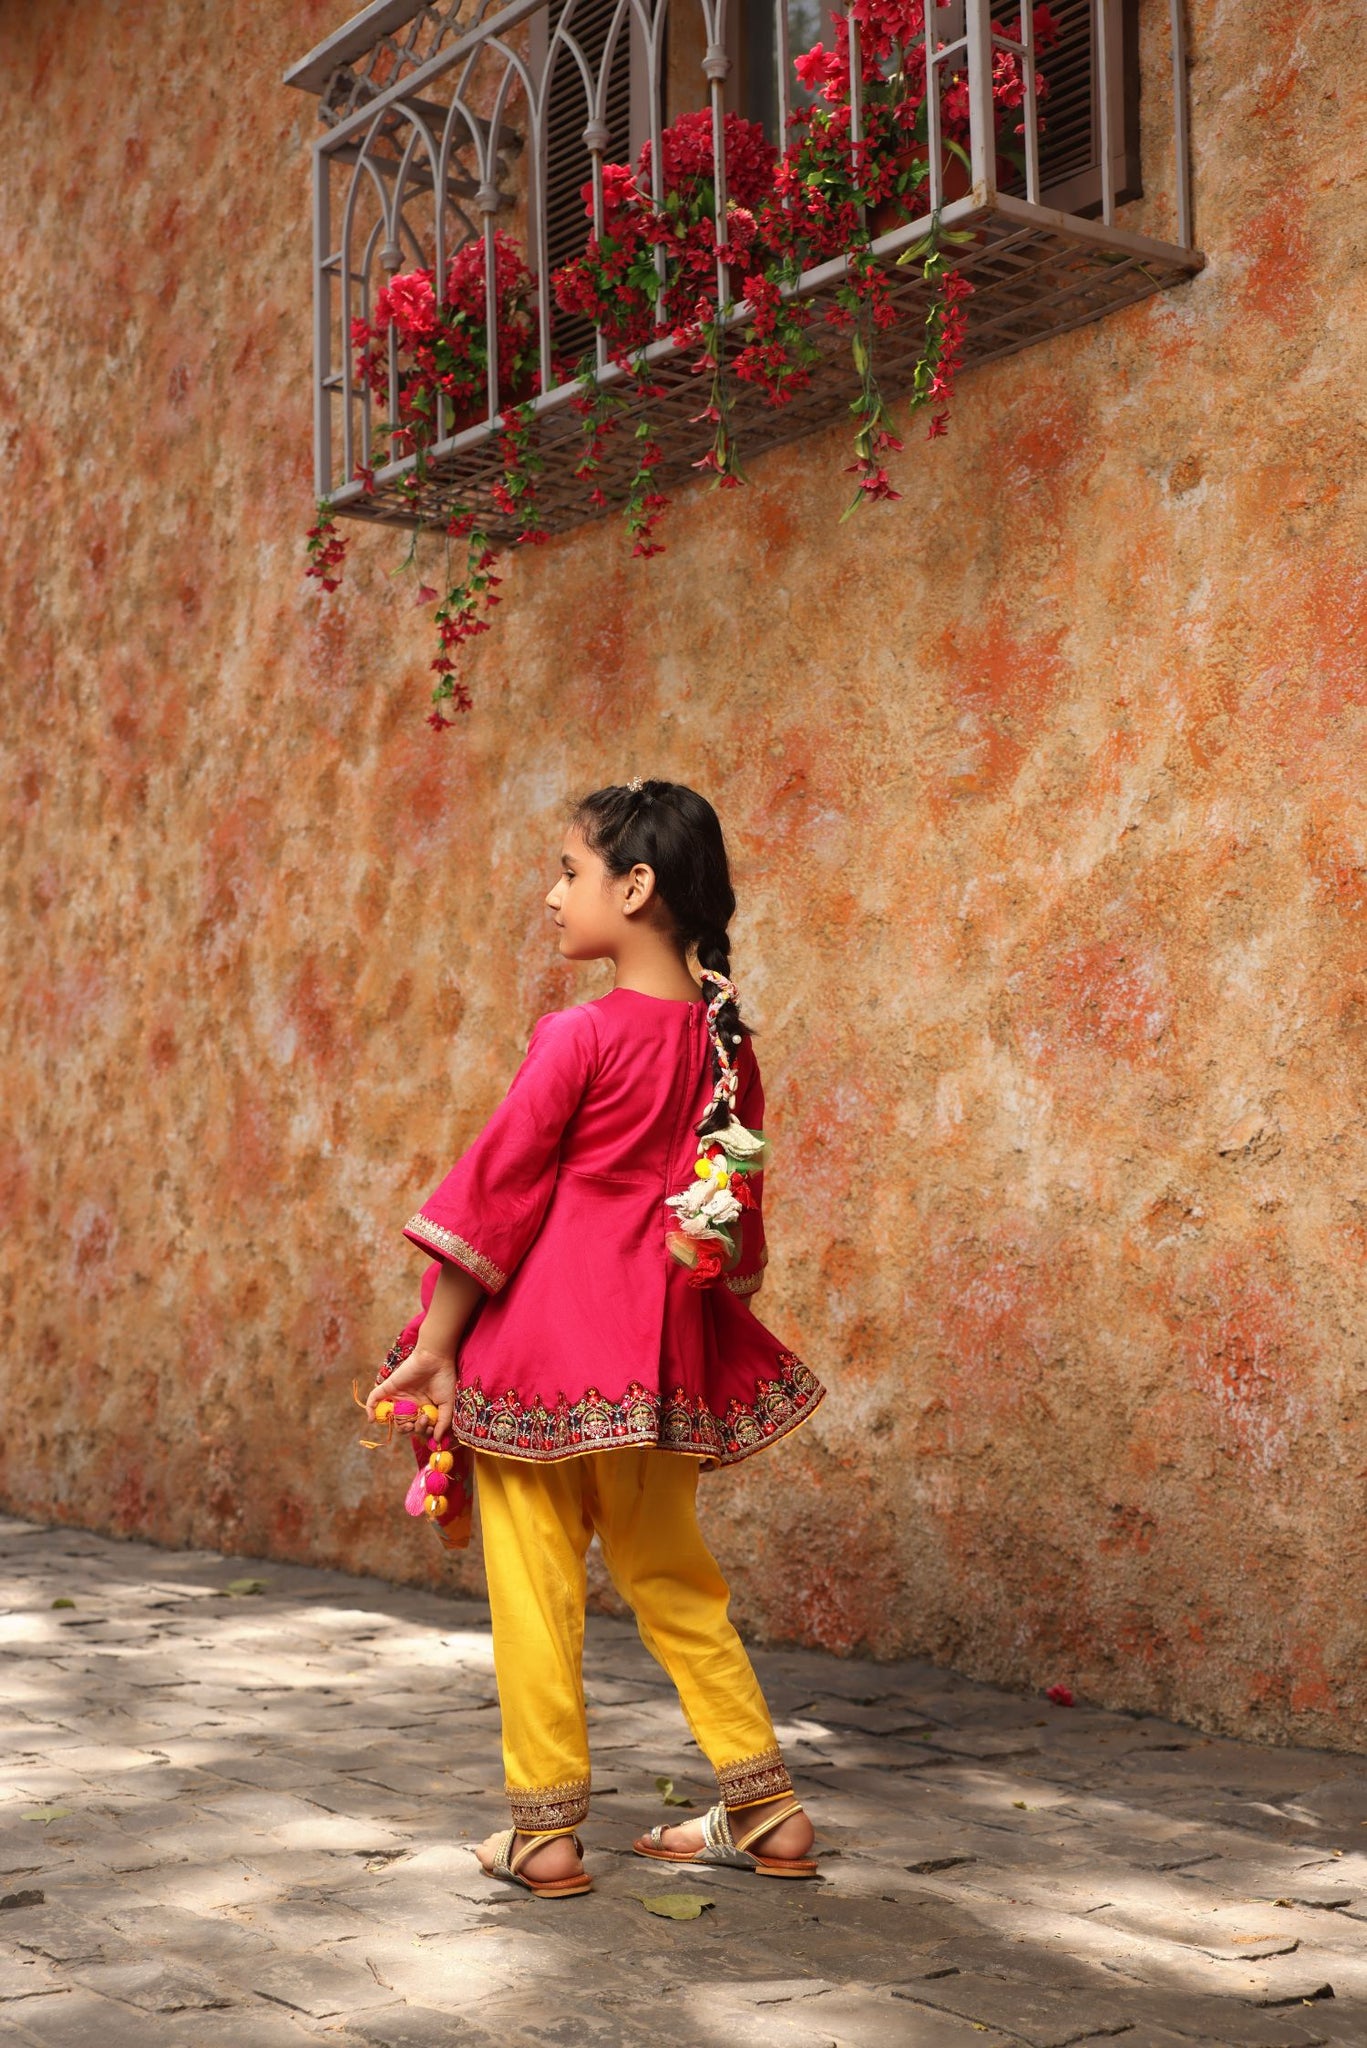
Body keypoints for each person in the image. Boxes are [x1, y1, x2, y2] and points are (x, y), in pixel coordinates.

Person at [367, 778, 825, 1897]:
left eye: (568, 871)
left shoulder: (575, 1035)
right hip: (658, 1359)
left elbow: (496, 1191)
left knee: (535, 1584)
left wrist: (434, 1340)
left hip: (542, 1356)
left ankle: (543, 1831)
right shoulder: (725, 1050)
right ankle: (765, 1807)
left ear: (635, 885)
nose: (551, 893)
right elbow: (737, 1230)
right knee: (670, 1573)